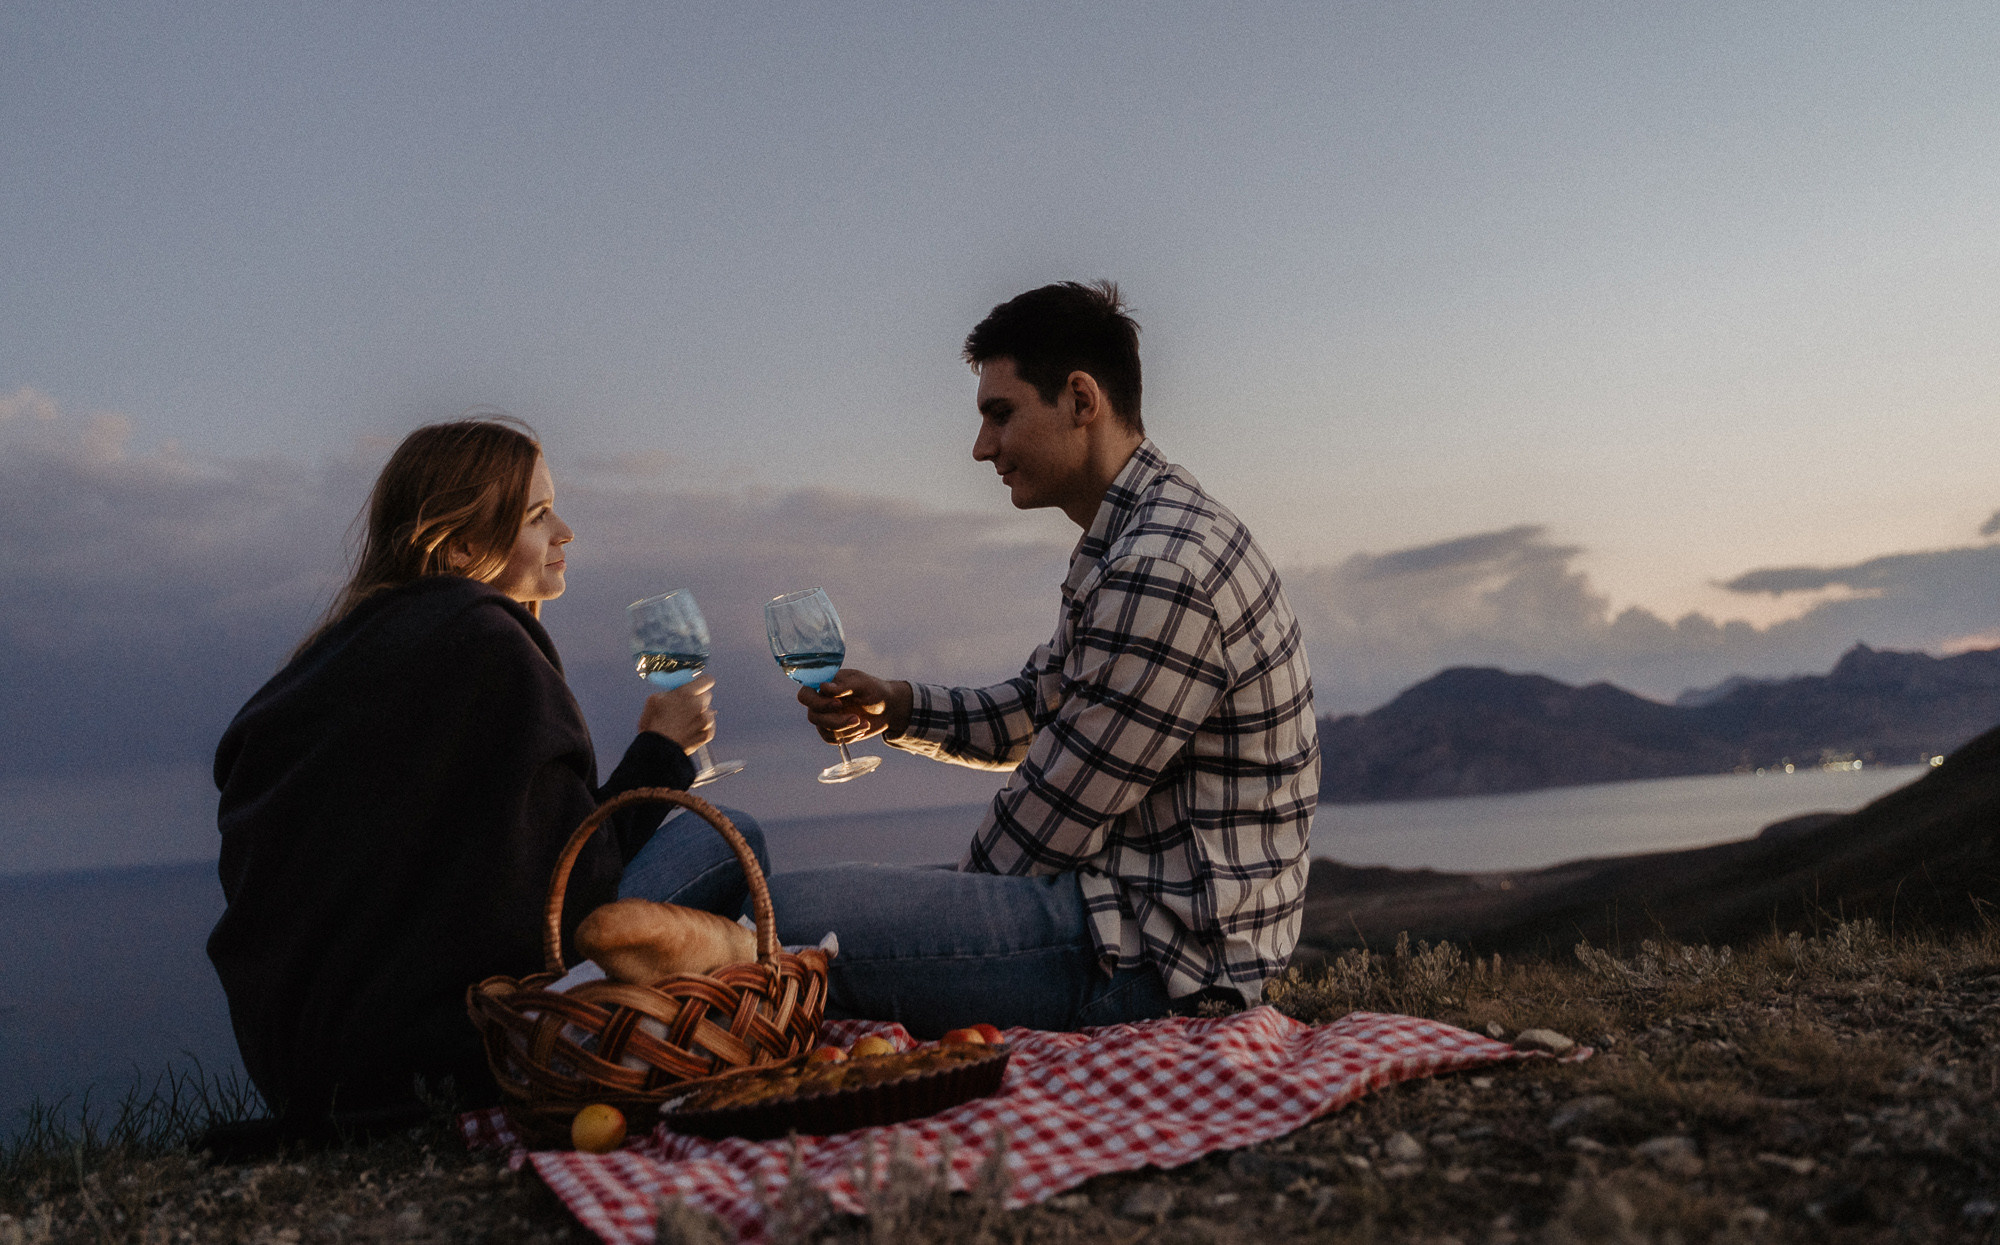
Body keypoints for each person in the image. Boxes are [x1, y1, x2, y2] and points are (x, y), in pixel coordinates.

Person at [769, 282, 1319, 1035]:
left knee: (772, 917)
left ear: (1080, 399)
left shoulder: (1158, 568)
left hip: (1150, 964)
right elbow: (1040, 707)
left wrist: (941, 921)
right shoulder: (1137, 534)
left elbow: (1049, 815)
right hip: (1119, 916)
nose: (982, 447)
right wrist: (895, 707)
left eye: (1001, 413)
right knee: (803, 902)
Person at [207, 418, 766, 1132]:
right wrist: (662, 751)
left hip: (307, 1069)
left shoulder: (323, 664)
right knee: (731, 836)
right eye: (537, 515)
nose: (565, 532)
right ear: (461, 543)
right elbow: (568, 880)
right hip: (449, 1046)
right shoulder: (487, 642)